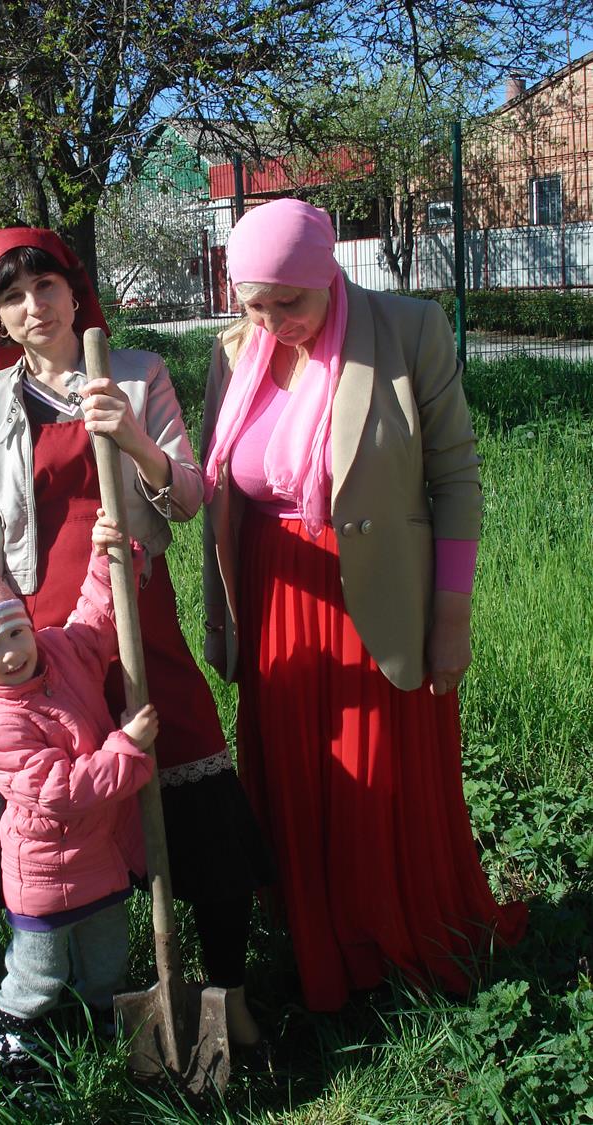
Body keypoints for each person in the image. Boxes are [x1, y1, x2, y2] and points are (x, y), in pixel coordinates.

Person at [0, 224, 274, 1048]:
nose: (33, 307)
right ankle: (56, 994)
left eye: (45, 286)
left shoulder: (136, 372)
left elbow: (189, 495)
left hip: (135, 618)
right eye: (12, 297)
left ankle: (227, 993)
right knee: (52, 816)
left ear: (74, 289)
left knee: (195, 784)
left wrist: (130, 436)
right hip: (34, 647)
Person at [201, 198, 527, 1012]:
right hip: (278, 598)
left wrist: (451, 617)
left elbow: (456, 481)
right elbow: (213, 497)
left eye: (289, 302)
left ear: (327, 274)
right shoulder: (234, 350)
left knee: (377, 778)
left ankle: (391, 940)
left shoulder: (409, 331)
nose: (273, 323)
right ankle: (311, 938)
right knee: (300, 776)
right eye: (255, 304)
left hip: (378, 599)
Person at [0, 512, 156, 1087]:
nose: (10, 652)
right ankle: (14, 1029)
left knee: (108, 954)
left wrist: (108, 559)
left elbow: (95, 623)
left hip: (101, 855)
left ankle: (104, 1014)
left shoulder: (56, 652)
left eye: (13, 632)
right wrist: (126, 748)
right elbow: (61, 791)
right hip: (46, 874)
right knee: (40, 970)